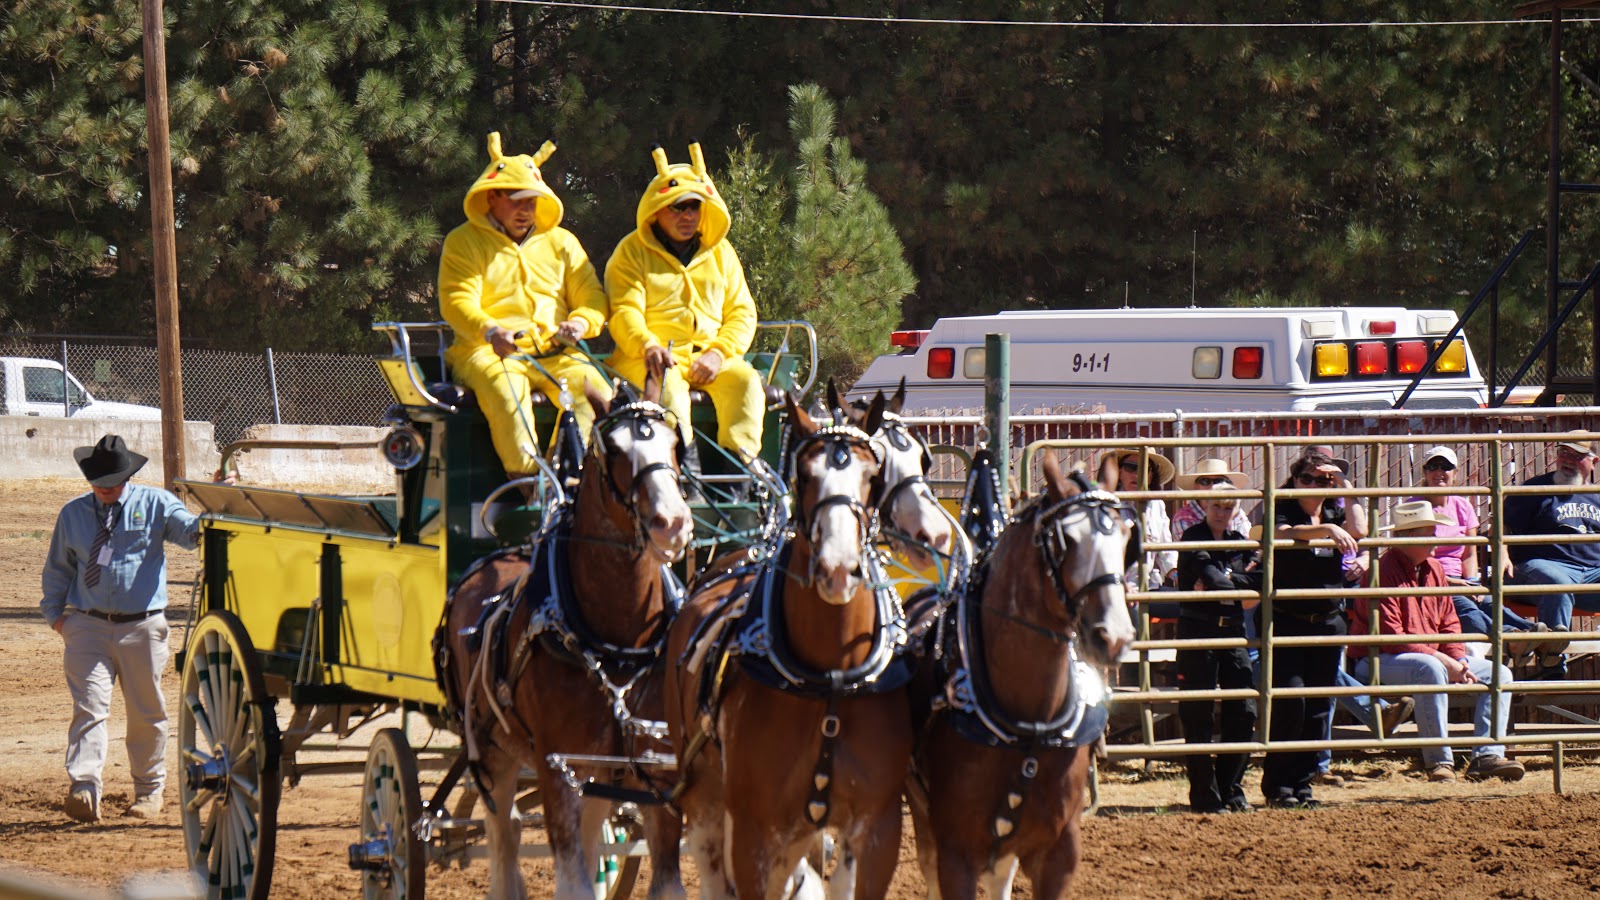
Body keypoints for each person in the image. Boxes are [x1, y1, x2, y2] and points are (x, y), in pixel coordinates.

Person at [40, 435, 201, 823]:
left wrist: (217, 509)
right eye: (98, 481)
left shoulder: (156, 504)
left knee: (146, 712)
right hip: (87, 627)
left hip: (143, 626)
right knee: (89, 707)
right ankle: (84, 787)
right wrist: (58, 619)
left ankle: (148, 792)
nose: (105, 488)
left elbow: (193, 536)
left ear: (128, 475)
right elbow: (58, 568)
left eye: (112, 480)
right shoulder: (73, 514)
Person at [439, 132, 611, 484]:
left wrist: (579, 324)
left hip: (555, 351)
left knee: (595, 386)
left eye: (531, 201)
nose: (526, 210)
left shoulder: (563, 242)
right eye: (517, 201)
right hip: (487, 353)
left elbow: (592, 297)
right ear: (491, 198)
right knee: (506, 393)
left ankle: (573, 480)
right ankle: (530, 489)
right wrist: (490, 330)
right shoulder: (463, 241)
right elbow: (456, 300)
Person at [606, 143, 765, 482]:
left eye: (694, 206)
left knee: (747, 382)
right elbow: (624, 312)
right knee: (672, 393)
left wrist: (719, 354)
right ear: (657, 210)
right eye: (677, 207)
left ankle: (738, 482)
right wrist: (649, 346)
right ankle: (685, 478)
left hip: (708, 358)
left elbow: (742, 312)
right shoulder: (630, 253)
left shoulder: (722, 253)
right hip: (647, 358)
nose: (687, 215)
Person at [1348, 500, 1526, 783]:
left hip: (1421, 658)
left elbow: (1450, 621)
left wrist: (1460, 659)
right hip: (1375, 660)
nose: (1436, 540)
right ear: (1407, 538)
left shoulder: (1434, 569)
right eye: (1429, 533)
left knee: (1499, 673)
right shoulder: (1380, 571)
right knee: (1429, 668)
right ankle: (1439, 761)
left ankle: (1487, 755)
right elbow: (1391, 637)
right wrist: (1447, 661)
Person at [1260, 449, 1354, 808]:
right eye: (1307, 478)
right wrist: (1327, 529)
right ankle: (1278, 787)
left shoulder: (1334, 509)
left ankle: (1302, 785)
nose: (1315, 485)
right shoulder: (1284, 507)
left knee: (1318, 706)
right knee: (1291, 702)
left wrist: (1344, 485)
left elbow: (1359, 528)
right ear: (1295, 480)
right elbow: (1283, 533)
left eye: (1323, 479)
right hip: (1290, 619)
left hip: (1329, 620)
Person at [1410, 445, 1549, 660]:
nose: (1439, 472)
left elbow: (1468, 553)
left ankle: (1535, 634)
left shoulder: (1462, 506)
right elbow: (1414, 558)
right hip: (1428, 580)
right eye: (1433, 466)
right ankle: (1513, 638)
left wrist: (1472, 581)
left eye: (1446, 467)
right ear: (1425, 472)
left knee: (1487, 601)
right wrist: (1453, 583)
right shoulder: (1414, 507)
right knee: (1465, 606)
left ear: (1455, 473)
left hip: (1460, 579)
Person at [1175, 482, 1259, 813]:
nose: (1222, 514)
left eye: (1228, 508)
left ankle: (1231, 789)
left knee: (1243, 710)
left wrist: (1223, 582)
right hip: (1199, 631)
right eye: (1217, 507)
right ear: (1205, 506)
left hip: (1234, 632)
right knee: (1198, 713)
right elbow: (1215, 575)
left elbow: (1259, 581)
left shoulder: (1240, 542)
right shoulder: (1193, 536)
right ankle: (1204, 795)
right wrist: (1236, 581)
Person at [1502, 435, 1600, 679]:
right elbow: (1501, 526)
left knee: (1562, 584)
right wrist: (1502, 555)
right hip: (1539, 568)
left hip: (1591, 574)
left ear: (1593, 461)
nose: (1568, 460)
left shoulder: (1597, 495)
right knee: (1557, 582)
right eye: (1564, 453)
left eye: (1577, 456)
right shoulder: (1535, 491)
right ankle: (1552, 665)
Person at [1098, 448, 1177, 590]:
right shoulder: (1106, 504)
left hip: (1149, 586)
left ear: (1151, 476)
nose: (1136, 474)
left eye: (1144, 469)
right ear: (1119, 472)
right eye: (1130, 467)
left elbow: (1165, 549)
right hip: (1113, 588)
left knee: (1188, 607)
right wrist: (1120, 583)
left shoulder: (1157, 504)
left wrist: (1177, 575)